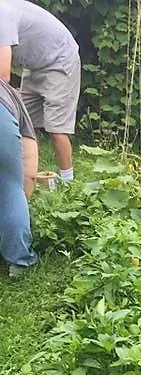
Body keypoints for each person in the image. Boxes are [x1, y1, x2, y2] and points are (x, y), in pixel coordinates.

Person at [0, 0, 80, 183]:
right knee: (20, 122)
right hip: (34, 64)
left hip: (60, 59)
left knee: (57, 129)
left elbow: (3, 76)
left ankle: (69, 183)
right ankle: (23, 175)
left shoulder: (2, 16)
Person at [0, 76, 38, 276]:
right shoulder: (12, 95)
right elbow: (29, 174)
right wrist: (20, 199)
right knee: (11, 189)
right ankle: (19, 262)